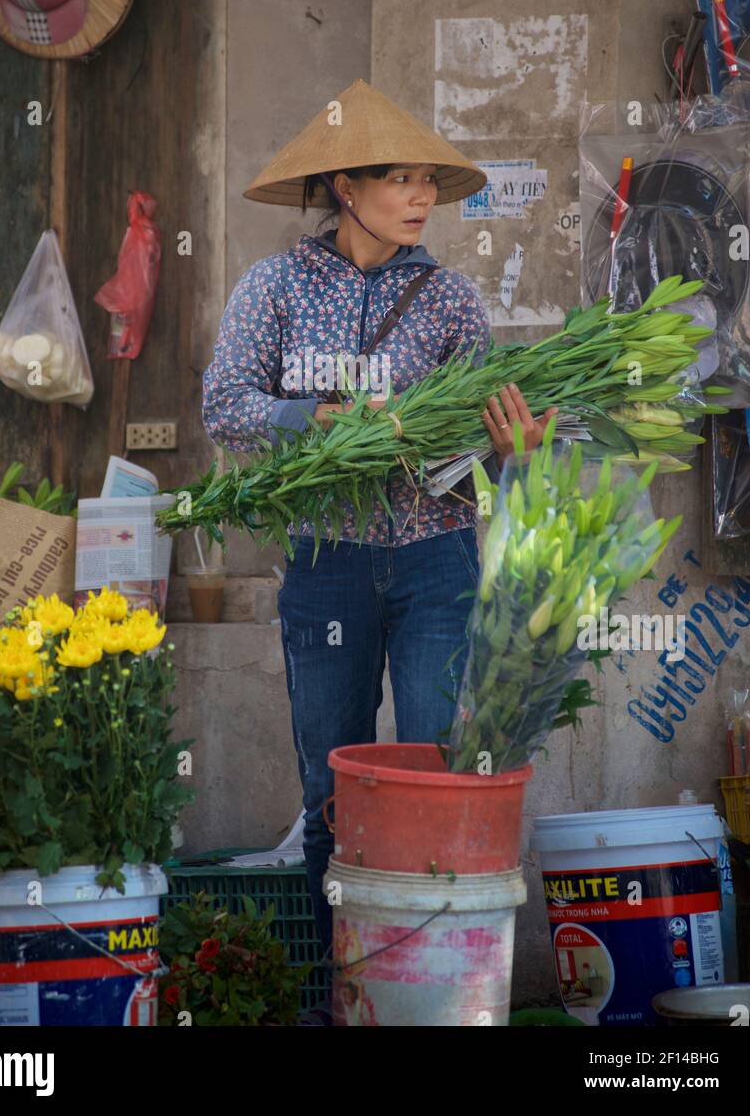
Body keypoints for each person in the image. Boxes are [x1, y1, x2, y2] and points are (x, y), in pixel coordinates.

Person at [202, 80, 555, 968]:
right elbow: (223, 402)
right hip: (326, 563)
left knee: (437, 774)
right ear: (344, 189)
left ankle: (428, 987)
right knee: (332, 790)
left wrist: (511, 449)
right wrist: (305, 418)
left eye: (428, 181)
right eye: (399, 179)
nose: (421, 197)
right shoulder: (274, 289)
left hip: (436, 559)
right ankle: (343, 989)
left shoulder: (450, 302)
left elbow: (469, 449)